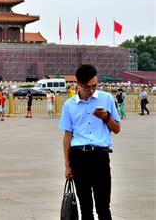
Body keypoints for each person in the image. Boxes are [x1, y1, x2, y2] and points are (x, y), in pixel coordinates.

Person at [59, 64, 120, 219]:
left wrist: (106, 118)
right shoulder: (69, 105)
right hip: (79, 158)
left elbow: (117, 129)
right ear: (78, 84)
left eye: (94, 86)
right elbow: (67, 136)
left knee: (103, 207)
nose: (92, 90)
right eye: (87, 87)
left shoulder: (106, 99)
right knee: (85, 208)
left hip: (100, 157)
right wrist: (67, 166)